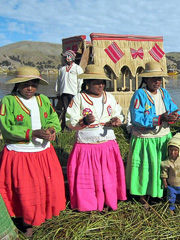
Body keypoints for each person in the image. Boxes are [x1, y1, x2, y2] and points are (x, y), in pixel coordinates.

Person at [0, 66, 66, 237]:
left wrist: (51, 129)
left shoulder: (42, 99)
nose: (30, 88)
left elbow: (53, 118)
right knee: (25, 188)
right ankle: (26, 222)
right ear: (18, 84)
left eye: (33, 84)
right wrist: (32, 133)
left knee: (44, 185)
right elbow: (7, 128)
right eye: (25, 84)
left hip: (43, 152)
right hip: (20, 153)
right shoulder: (9, 101)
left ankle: (43, 216)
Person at [65, 64, 127, 211]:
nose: (100, 85)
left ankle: (108, 200)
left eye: (102, 82)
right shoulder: (79, 98)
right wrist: (83, 122)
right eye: (96, 82)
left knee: (108, 175)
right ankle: (89, 205)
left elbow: (119, 113)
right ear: (87, 83)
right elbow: (69, 120)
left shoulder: (109, 97)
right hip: (86, 145)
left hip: (107, 144)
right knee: (88, 178)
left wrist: (117, 120)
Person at [126, 62, 180, 209]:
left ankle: (159, 193)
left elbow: (174, 108)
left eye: (159, 78)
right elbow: (136, 118)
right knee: (146, 168)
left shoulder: (164, 93)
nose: (156, 81)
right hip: (146, 139)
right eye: (153, 78)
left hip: (163, 137)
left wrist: (176, 115)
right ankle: (143, 197)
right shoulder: (140, 95)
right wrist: (159, 119)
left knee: (161, 167)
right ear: (145, 80)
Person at [55, 50, 84, 129]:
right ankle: (66, 127)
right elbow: (58, 81)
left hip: (74, 93)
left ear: (71, 57)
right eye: (64, 57)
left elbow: (80, 81)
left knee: (73, 110)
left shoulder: (77, 68)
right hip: (64, 92)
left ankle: (74, 126)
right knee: (66, 110)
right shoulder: (62, 69)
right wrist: (58, 92)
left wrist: (78, 92)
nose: (64, 58)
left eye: (66, 56)